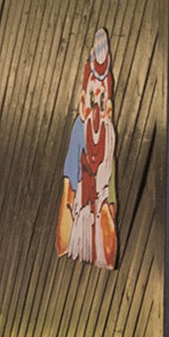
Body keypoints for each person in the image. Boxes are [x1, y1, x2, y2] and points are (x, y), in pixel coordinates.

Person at [57, 29, 119, 267]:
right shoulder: (79, 132)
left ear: (108, 108)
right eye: (93, 99)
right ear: (84, 101)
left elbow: (110, 179)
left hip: (100, 202)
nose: (96, 108)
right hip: (82, 207)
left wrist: (109, 208)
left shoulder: (109, 135)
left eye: (101, 102)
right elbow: (69, 187)